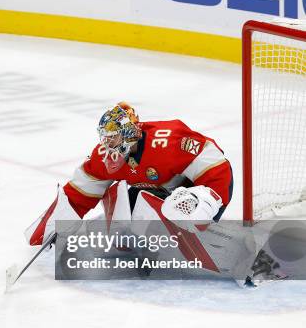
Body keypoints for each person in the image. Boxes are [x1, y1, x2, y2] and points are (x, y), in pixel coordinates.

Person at [25, 101, 234, 247]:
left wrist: (204, 204)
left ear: (129, 134)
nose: (107, 145)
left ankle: (209, 240)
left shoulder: (169, 142)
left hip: (202, 191)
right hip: (164, 193)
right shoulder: (104, 157)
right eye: (105, 138)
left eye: (113, 138)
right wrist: (56, 223)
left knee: (178, 210)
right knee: (128, 198)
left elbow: (217, 169)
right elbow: (81, 192)